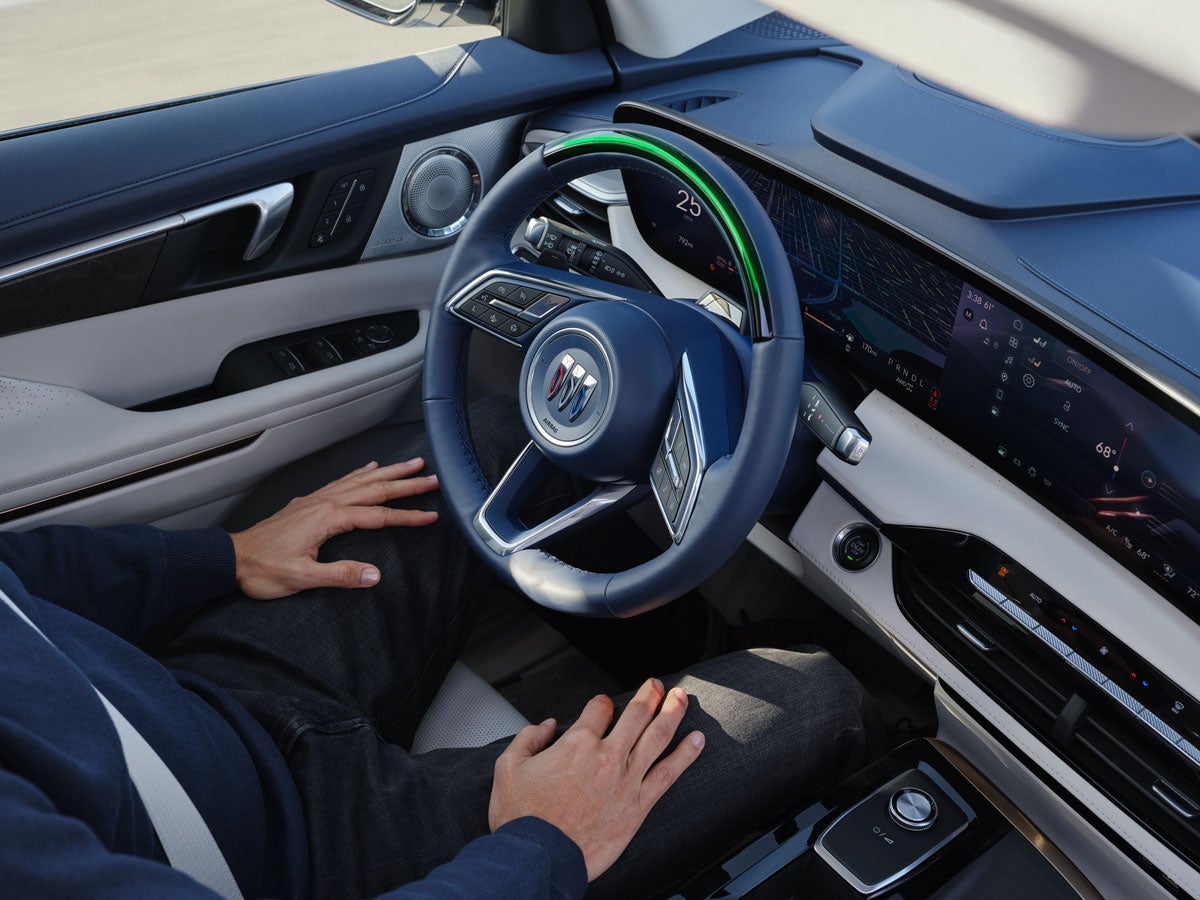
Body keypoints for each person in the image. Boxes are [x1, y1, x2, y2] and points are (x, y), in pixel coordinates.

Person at [0, 400, 871, 899]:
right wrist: (542, 843)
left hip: (211, 699)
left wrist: (228, 555)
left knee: (507, 445)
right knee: (815, 698)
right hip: (310, 865)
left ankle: (706, 639)